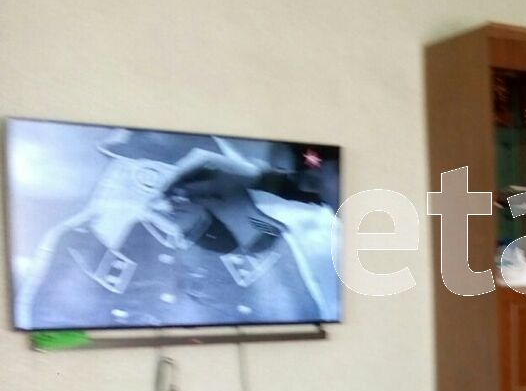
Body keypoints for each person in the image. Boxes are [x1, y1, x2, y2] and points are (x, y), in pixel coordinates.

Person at [17, 130, 338, 330]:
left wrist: (245, 223)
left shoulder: (255, 241)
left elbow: (303, 319)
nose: (171, 191)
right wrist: (102, 234)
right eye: (146, 173)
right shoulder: (82, 239)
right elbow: (48, 334)